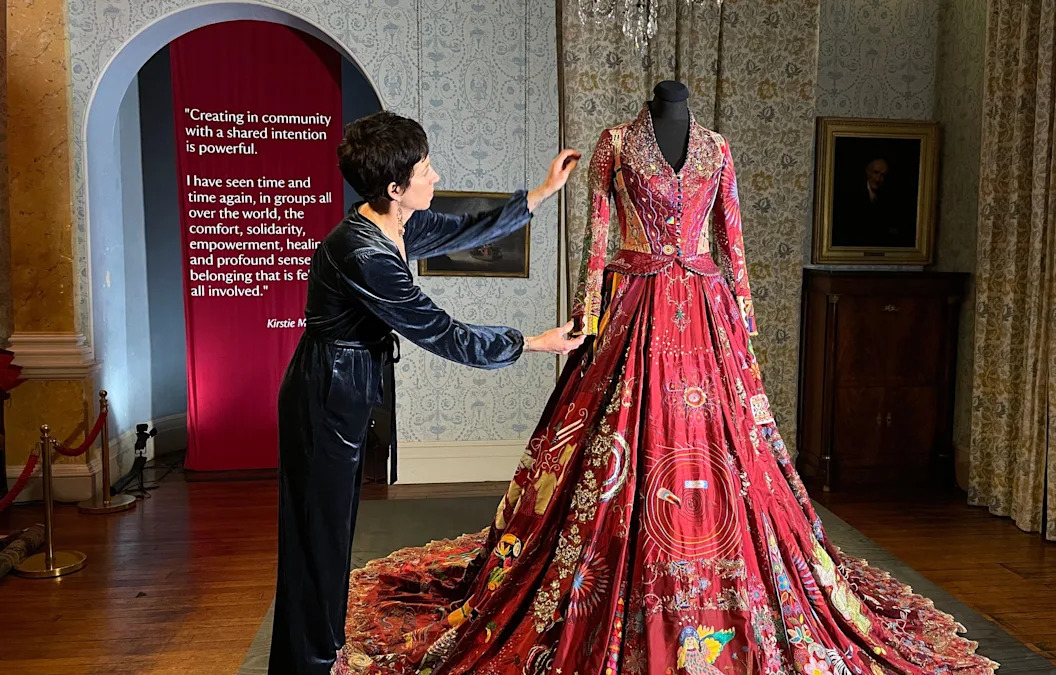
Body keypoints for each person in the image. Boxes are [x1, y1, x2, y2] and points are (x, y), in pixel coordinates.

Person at [333, 92, 998, 674]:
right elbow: (598, 235)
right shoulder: (616, 143)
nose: (432, 174)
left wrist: (742, 320)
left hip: (707, 312)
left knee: (728, 449)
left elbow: (730, 236)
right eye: (423, 169)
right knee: (620, 437)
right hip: (634, 302)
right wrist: (587, 312)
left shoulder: (717, 148)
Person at [267, 110, 583, 675]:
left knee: (332, 530)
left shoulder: (393, 224)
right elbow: (441, 331)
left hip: (346, 386)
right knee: (316, 536)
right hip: (325, 393)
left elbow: (465, 230)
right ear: (395, 188)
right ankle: (306, 663)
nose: (435, 176)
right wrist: (533, 343)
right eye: (425, 169)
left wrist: (541, 193)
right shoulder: (363, 253)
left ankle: (322, 646)